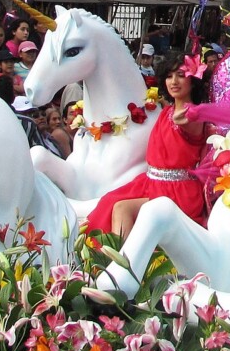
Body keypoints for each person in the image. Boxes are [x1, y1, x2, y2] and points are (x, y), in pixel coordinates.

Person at [84, 52, 213, 239]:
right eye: (169, 76)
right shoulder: (167, 111)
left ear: (193, 81)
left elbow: (185, 119)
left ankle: (120, 257)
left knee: (122, 208)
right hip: (152, 183)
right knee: (108, 201)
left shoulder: (192, 115)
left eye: (180, 75)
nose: (174, 81)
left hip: (177, 192)